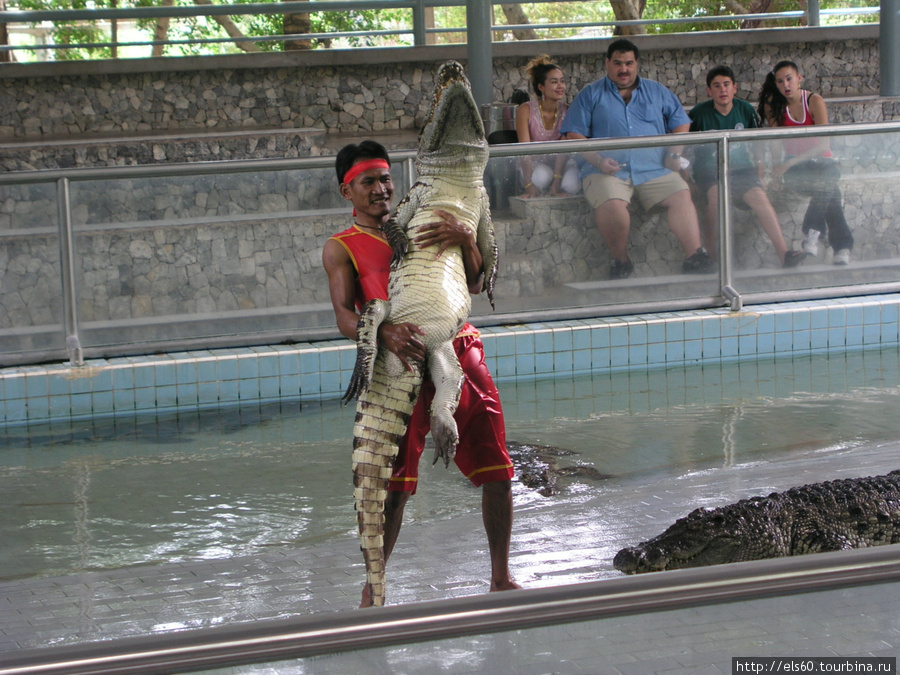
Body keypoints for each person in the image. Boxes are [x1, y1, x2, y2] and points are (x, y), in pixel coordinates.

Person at [321, 140, 521, 607]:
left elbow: (474, 282)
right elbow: (344, 317)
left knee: (498, 468)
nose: (381, 189)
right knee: (392, 489)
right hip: (398, 361)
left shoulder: (428, 219)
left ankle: (501, 577)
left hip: (457, 347)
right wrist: (384, 332)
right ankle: (373, 590)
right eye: (368, 182)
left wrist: (466, 237)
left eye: (386, 178)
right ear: (345, 192)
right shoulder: (341, 248)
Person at [560, 38, 714, 280]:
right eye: (618, 63)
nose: (624, 69)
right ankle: (620, 262)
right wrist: (598, 161)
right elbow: (574, 134)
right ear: (608, 63)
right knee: (612, 204)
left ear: (636, 64)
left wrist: (675, 154)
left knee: (682, 195)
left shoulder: (657, 91)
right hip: (606, 171)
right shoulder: (590, 94)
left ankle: (695, 256)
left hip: (653, 169)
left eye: (629, 63)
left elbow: (681, 122)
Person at [688, 65, 806, 268]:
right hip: (710, 173)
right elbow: (686, 150)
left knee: (760, 197)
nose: (722, 90)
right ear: (709, 91)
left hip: (742, 171)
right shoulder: (698, 114)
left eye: (726, 85)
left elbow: (757, 145)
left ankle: (784, 253)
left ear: (734, 88)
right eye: (716, 86)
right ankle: (711, 260)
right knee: (715, 200)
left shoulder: (745, 110)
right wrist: (687, 178)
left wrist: (760, 174)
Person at [757, 60, 854, 265]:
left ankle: (812, 232)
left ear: (799, 78)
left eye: (789, 79)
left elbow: (823, 144)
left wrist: (787, 165)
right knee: (829, 189)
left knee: (826, 182)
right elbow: (775, 143)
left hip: (822, 162)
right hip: (795, 167)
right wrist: (777, 172)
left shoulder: (814, 100)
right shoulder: (774, 105)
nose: (786, 85)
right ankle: (842, 246)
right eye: (780, 81)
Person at [514, 54, 581, 198]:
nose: (560, 86)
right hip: (535, 165)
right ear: (541, 87)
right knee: (541, 178)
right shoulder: (525, 110)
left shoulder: (568, 110)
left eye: (562, 81)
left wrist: (557, 179)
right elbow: (524, 150)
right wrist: (528, 184)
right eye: (554, 82)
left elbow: (565, 149)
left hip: (561, 164)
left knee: (572, 184)